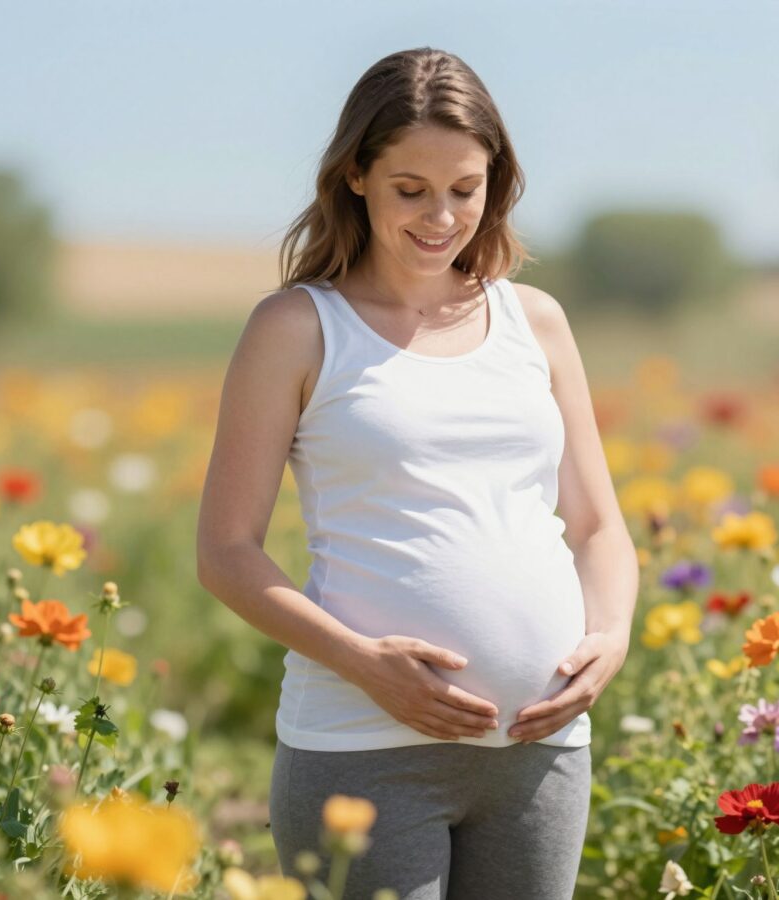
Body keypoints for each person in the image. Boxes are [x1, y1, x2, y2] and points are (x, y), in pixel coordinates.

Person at [196, 47, 639, 900]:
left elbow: (598, 527)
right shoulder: (296, 328)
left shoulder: (535, 321)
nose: (442, 217)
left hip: (538, 755)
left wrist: (610, 637)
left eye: (465, 190)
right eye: (411, 189)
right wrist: (364, 662)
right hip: (363, 749)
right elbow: (225, 552)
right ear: (357, 175)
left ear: (495, 183)